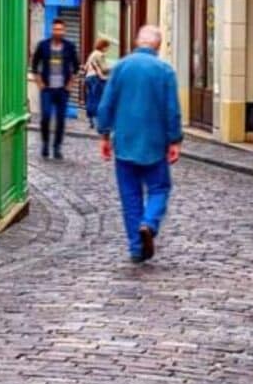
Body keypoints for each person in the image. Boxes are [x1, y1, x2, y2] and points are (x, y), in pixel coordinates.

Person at [97, 25, 182, 263]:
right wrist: (174, 139)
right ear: (158, 45)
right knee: (159, 189)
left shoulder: (122, 67)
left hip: (125, 142)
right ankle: (149, 222)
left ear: (137, 41)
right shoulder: (164, 71)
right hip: (155, 143)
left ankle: (136, 247)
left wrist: (104, 134)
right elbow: (172, 110)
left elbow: (107, 103)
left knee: (130, 196)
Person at [32, 18, 79, 160]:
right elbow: (35, 65)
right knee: (45, 116)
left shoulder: (69, 46)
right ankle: (45, 143)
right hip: (47, 88)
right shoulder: (43, 46)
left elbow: (76, 67)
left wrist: (70, 84)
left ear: (64, 31)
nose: (57, 32)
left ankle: (57, 147)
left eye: (60, 29)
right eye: (55, 29)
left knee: (60, 119)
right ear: (52, 30)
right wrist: (39, 83)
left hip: (62, 90)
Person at [84, 37, 111, 130]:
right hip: (97, 78)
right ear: (103, 47)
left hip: (88, 78)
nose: (108, 49)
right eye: (107, 47)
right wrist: (113, 67)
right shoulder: (100, 54)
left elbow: (85, 67)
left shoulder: (92, 54)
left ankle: (91, 120)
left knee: (91, 98)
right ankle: (99, 121)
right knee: (98, 99)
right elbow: (104, 69)